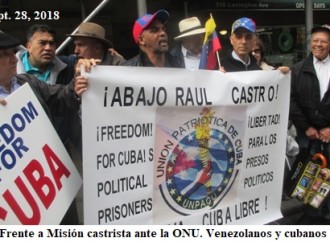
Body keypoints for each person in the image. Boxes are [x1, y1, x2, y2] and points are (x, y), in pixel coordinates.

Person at [0, 31, 85, 225]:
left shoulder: (26, 82)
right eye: (3, 54)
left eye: (12, 52)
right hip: (19, 199)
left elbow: (61, 96)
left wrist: (76, 83)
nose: (13, 59)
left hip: (53, 183)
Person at [290, 24, 330, 225]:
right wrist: (306, 127)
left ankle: (327, 215)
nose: (319, 44)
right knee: (308, 177)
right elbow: (291, 101)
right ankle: (310, 216)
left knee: (328, 177)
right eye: (315, 41)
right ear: (309, 43)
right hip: (308, 136)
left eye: (323, 41)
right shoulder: (297, 70)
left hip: (329, 135)